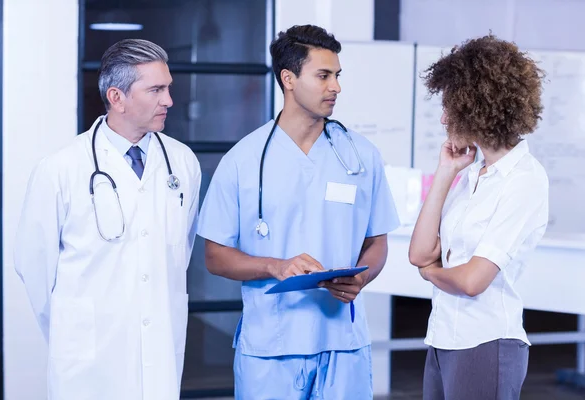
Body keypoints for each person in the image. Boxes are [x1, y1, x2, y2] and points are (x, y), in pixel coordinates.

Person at [197, 24, 400, 399]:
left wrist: (362, 277)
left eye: (337, 76)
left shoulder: (360, 155)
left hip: (344, 343)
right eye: (323, 76)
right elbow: (215, 256)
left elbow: (377, 242)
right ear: (288, 79)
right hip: (271, 347)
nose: (335, 86)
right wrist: (275, 266)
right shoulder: (243, 161)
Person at [14, 39, 201, 400]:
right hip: (87, 362)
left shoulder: (183, 163)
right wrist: (73, 330)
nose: (169, 101)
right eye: (156, 90)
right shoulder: (61, 169)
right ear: (117, 98)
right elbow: (34, 266)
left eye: (168, 88)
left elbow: (181, 250)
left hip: (159, 351)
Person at [408, 34, 549, 400]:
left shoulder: (524, 180)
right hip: (442, 338)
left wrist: (430, 274)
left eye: (449, 105)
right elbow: (419, 253)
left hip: (486, 344)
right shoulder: (471, 174)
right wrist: (445, 172)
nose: (442, 117)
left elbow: (473, 280)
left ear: (477, 106)